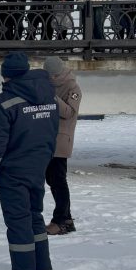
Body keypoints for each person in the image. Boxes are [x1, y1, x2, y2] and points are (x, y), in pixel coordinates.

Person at [0, 51, 59, 270]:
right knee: (35, 218)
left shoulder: (2, 103)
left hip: (13, 172)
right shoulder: (49, 98)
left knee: (19, 222)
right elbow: (52, 134)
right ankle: (41, 268)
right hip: (38, 168)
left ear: (6, 76)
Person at [42, 56, 82, 236]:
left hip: (60, 139)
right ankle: (66, 220)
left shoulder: (72, 87)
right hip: (46, 138)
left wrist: (53, 97)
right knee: (52, 181)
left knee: (58, 182)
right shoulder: (44, 82)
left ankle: (61, 221)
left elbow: (70, 112)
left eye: (52, 76)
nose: (50, 79)